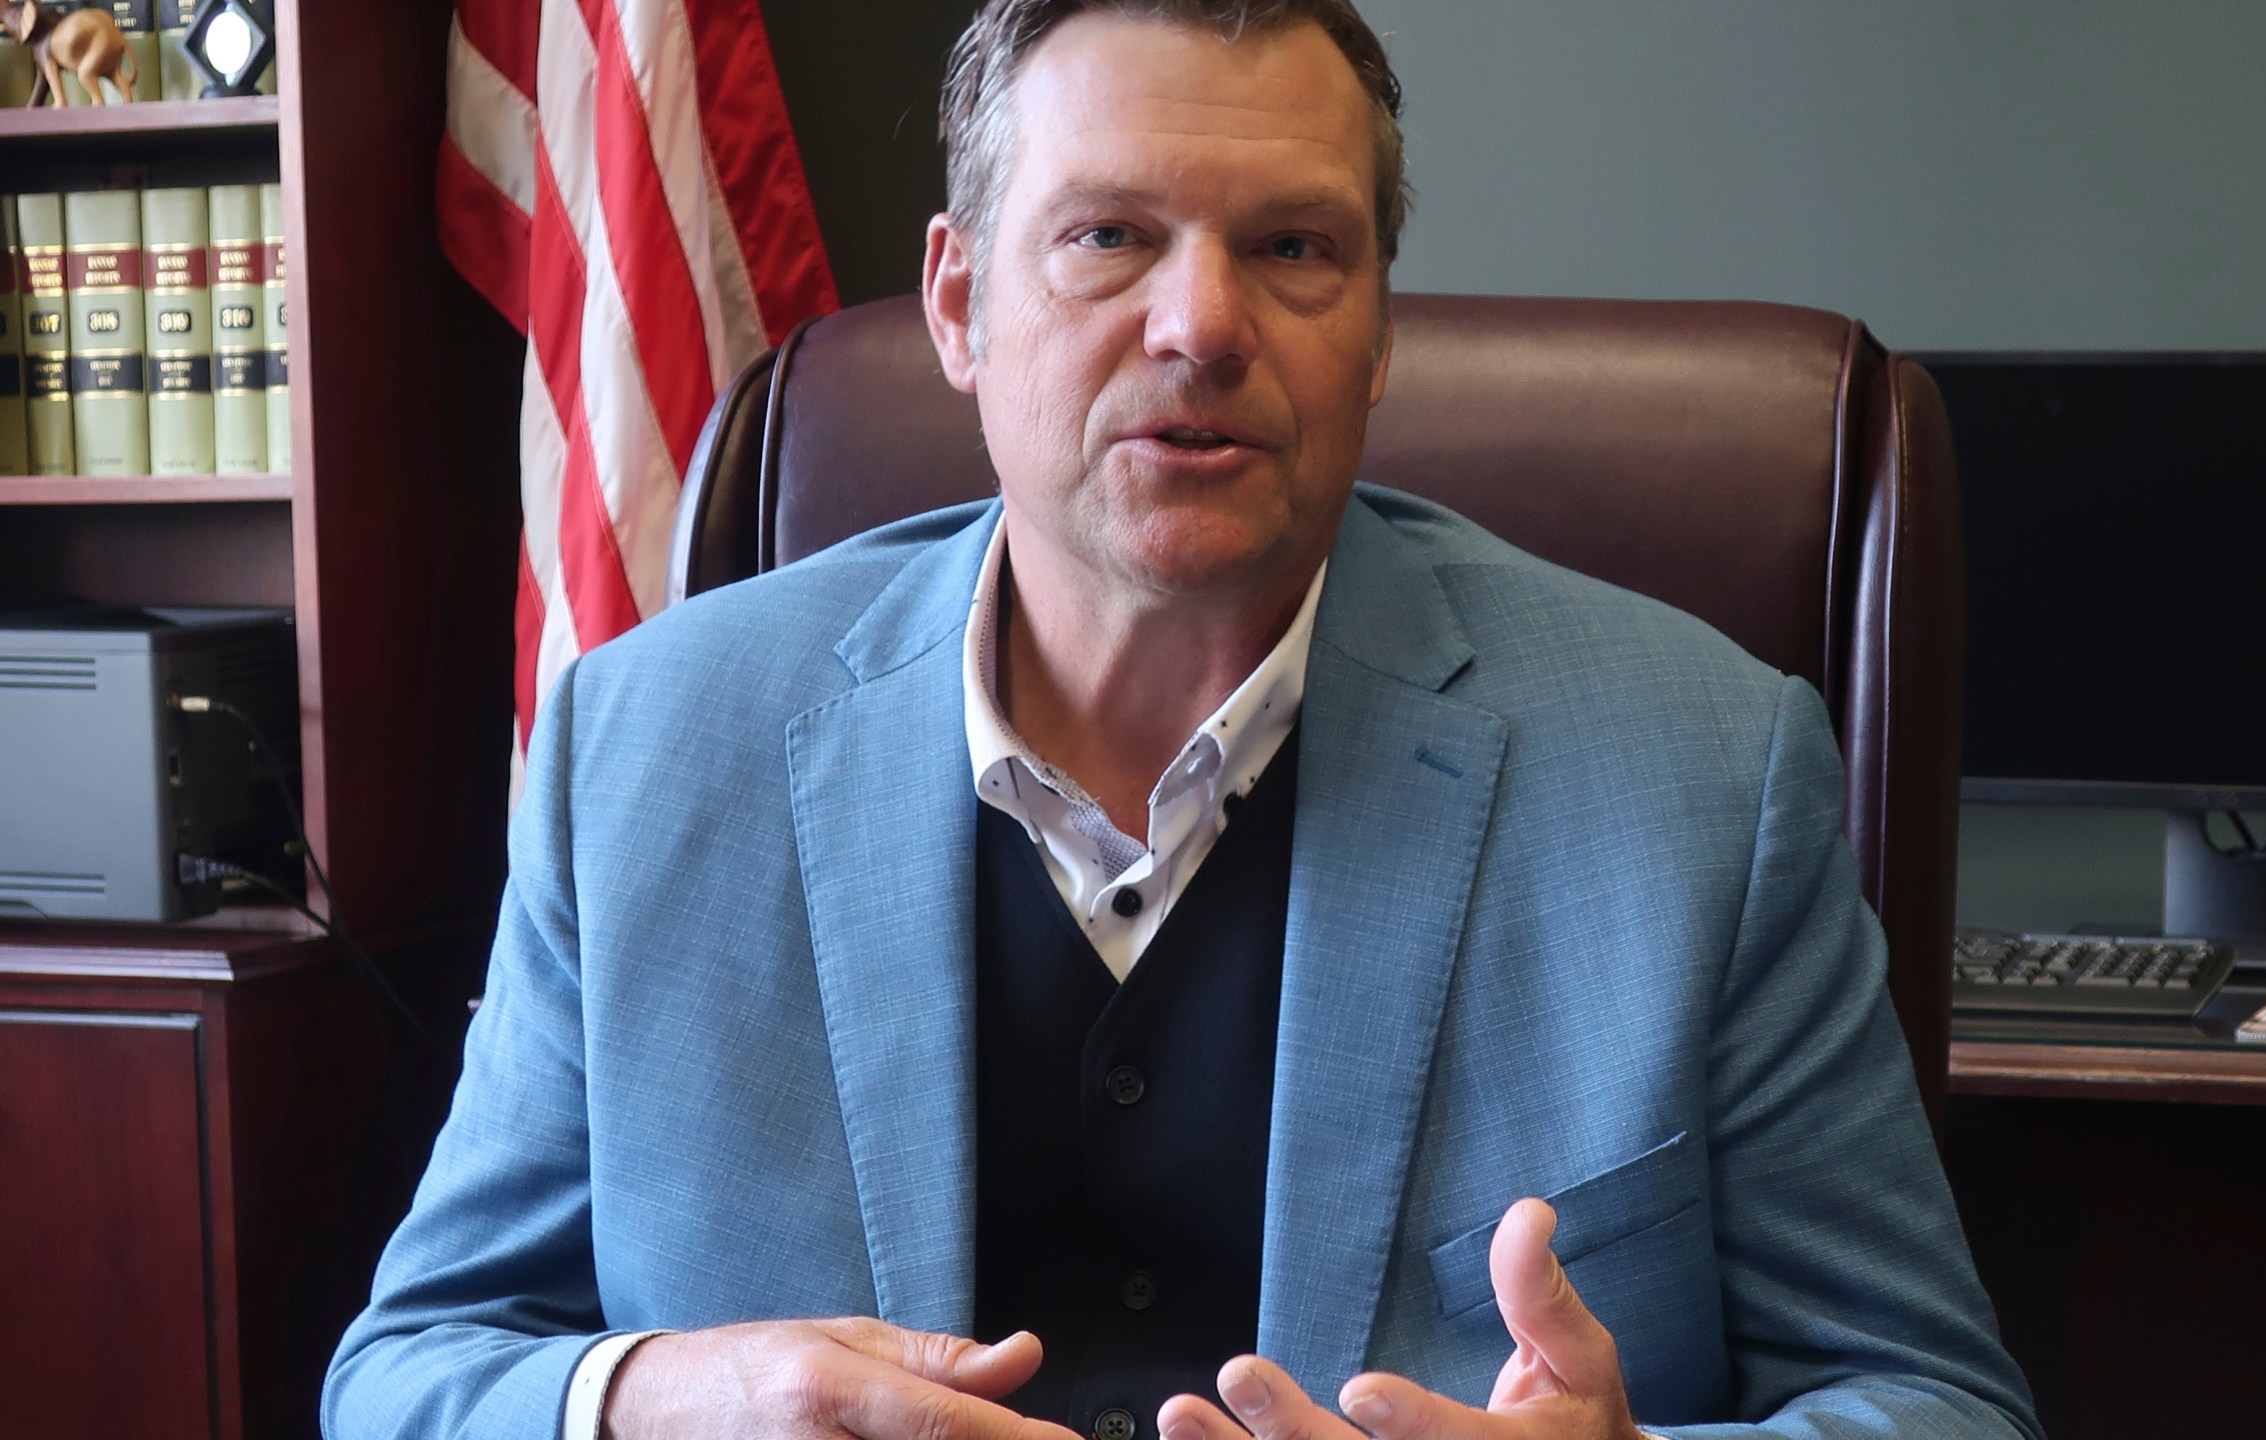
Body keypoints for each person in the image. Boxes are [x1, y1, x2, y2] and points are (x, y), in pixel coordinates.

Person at [324, 3, 2041, 1438]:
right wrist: (667, 1401)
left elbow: (1934, 1398)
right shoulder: (646, 751)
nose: (1202, 324)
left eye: (1295, 249)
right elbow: (405, 1377)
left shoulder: (1702, 773)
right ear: (956, 305)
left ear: (1376, 332)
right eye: (1105, 238)